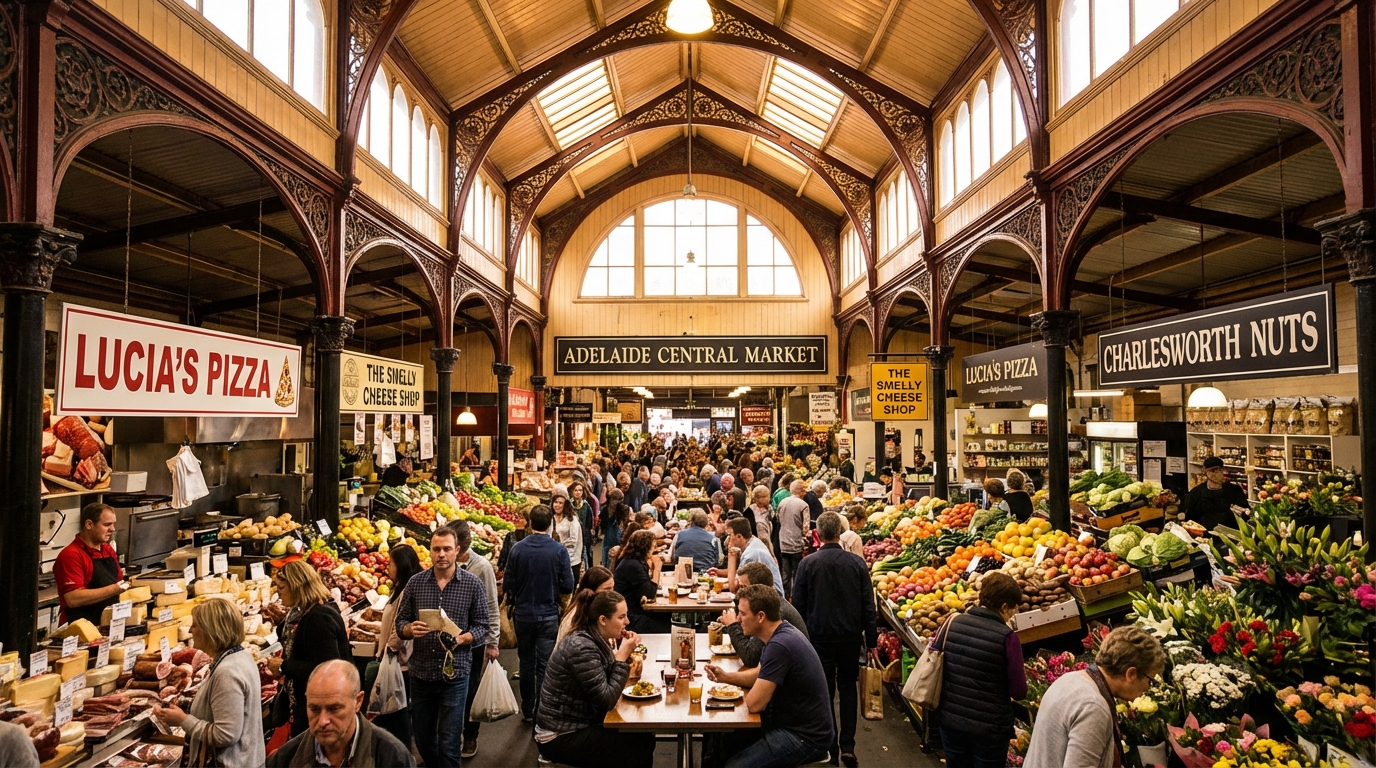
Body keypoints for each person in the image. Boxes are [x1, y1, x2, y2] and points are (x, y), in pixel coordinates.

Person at [704, 585, 834, 767]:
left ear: (761, 617)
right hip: (800, 728)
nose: (738, 619)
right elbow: (760, 674)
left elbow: (755, 704)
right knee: (725, 744)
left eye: (742, 614)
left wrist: (745, 689)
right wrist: (726, 677)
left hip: (805, 738)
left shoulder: (779, 645)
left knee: (734, 765)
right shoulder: (781, 633)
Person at [393, 526, 490, 767]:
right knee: (424, 739)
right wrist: (408, 630)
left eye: (447, 549)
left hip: (455, 673)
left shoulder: (472, 585)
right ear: (430, 552)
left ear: (457, 550)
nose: (441, 554)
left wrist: (462, 638)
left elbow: (482, 627)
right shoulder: (416, 584)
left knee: (449, 740)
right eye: (436, 549)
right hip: (422, 673)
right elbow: (400, 622)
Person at [790, 512, 877, 768]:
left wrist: (800, 638)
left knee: (824, 691)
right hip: (850, 636)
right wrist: (871, 639)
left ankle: (830, 746)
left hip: (818, 637)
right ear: (839, 533)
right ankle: (848, 745)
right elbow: (867, 604)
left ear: (819, 534)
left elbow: (799, 605)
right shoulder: (857, 564)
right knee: (848, 687)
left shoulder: (808, 564)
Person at [535, 591, 656, 768]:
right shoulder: (582, 648)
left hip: (576, 723)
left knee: (644, 736)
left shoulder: (593, 637)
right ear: (602, 620)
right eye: (621, 617)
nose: (627, 622)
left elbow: (603, 680)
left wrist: (623, 657)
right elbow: (606, 700)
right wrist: (622, 654)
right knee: (636, 748)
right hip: (559, 734)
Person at [1024, 626, 1165, 768]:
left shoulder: (1070, 679)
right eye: (1149, 681)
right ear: (1131, 674)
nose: (1148, 688)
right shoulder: (1093, 706)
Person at [154, 599, 265, 767]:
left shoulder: (227, 672)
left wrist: (183, 720)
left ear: (211, 630)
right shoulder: (240, 656)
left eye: (195, 625)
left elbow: (225, 735)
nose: (190, 630)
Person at [936, 571, 1028, 768]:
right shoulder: (1007, 637)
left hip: (950, 720)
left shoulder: (952, 621)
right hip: (989, 729)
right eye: (1012, 609)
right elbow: (1019, 691)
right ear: (1004, 607)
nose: (1013, 614)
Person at [266, 661, 415, 768]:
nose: (323, 721)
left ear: (358, 701)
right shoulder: (285, 758)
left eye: (334, 708)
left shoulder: (393, 757)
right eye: (315, 709)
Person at [503, 504, 575, 722]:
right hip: (548, 614)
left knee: (525, 663)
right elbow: (568, 584)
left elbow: (508, 583)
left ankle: (527, 708)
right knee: (544, 664)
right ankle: (542, 709)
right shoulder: (559, 550)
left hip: (523, 615)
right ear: (551, 523)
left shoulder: (517, 549)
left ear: (530, 523)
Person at [268, 560, 352, 736]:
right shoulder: (304, 611)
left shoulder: (318, 618)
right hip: (309, 703)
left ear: (297, 586)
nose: (278, 592)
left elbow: (327, 667)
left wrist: (284, 666)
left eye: (281, 587)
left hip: (322, 709)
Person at [451, 521, 501, 760]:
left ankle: (470, 735)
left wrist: (493, 642)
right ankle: (450, 738)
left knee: (470, 690)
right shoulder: (442, 565)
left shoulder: (481, 567)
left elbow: (492, 605)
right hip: (447, 640)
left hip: (474, 640)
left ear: (459, 547)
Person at [373, 545, 422, 748]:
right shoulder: (401, 586)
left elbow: (401, 625)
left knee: (397, 711)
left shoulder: (407, 589)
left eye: (391, 563)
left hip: (400, 661)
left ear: (400, 565)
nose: (387, 567)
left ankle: (401, 753)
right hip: (397, 659)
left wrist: (389, 649)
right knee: (396, 709)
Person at [716, 562, 808, 668]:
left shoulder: (774, 611)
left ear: (757, 588)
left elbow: (750, 657)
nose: (739, 591)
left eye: (743, 587)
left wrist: (732, 625)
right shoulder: (769, 603)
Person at [54, 502, 127, 626]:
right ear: (89, 524)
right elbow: (73, 598)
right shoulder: (71, 555)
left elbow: (119, 582)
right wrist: (114, 589)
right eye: (107, 524)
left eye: (113, 524)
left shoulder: (107, 550)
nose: (113, 529)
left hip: (107, 624)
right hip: (81, 628)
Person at [612, 530, 668, 634]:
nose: (654, 550)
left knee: (667, 616)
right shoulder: (633, 565)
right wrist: (657, 569)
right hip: (631, 616)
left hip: (636, 609)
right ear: (645, 547)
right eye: (653, 547)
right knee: (667, 625)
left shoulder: (633, 561)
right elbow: (650, 593)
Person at [719, 517, 782, 595]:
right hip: (767, 595)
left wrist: (732, 554)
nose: (728, 539)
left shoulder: (750, 555)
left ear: (739, 536)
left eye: (729, 535)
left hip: (773, 599)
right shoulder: (754, 542)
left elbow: (734, 588)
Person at [1185, 456, 1249, 532]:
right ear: (1205, 471)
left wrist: (1243, 512)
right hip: (1207, 535)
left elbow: (1246, 513)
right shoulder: (1196, 493)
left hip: (1232, 534)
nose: (1216, 473)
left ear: (1222, 470)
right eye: (1213, 470)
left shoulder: (1235, 490)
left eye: (1219, 470)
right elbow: (1190, 519)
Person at [557, 566, 615, 644]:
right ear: (591, 590)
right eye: (607, 589)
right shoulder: (577, 616)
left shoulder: (599, 609)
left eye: (612, 588)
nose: (612, 594)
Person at [776, 480, 811, 598]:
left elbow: (778, 519)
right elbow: (806, 528)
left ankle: (785, 597)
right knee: (797, 574)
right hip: (796, 543)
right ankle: (796, 598)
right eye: (804, 489)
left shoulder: (782, 502)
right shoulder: (803, 505)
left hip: (783, 542)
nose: (805, 492)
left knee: (785, 574)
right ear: (800, 491)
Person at [552, 494, 585, 581]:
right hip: (556, 557)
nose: (557, 505)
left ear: (565, 505)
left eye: (560, 503)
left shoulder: (572, 520)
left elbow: (573, 540)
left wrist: (559, 545)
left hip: (572, 559)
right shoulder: (551, 518)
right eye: (555, 502)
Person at [569, 481, 597, 569]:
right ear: (572, 492)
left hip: (584, 536)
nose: (578, 492)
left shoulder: (586, 506)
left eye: (580, 490)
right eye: (576, 490)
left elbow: (589, 524)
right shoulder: (569, 505)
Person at [600, 488, 631, 567]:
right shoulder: (605, 510)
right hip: (613, 537)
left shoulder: (605, 509)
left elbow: (602, 526)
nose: (616, 502)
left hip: (613, 537)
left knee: (609, 558)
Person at [745, 486, 774, 550]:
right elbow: (764, 540)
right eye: (766, 496)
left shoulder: (769, 509)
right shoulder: (751, 514)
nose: (769, 498)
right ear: (758, 499)